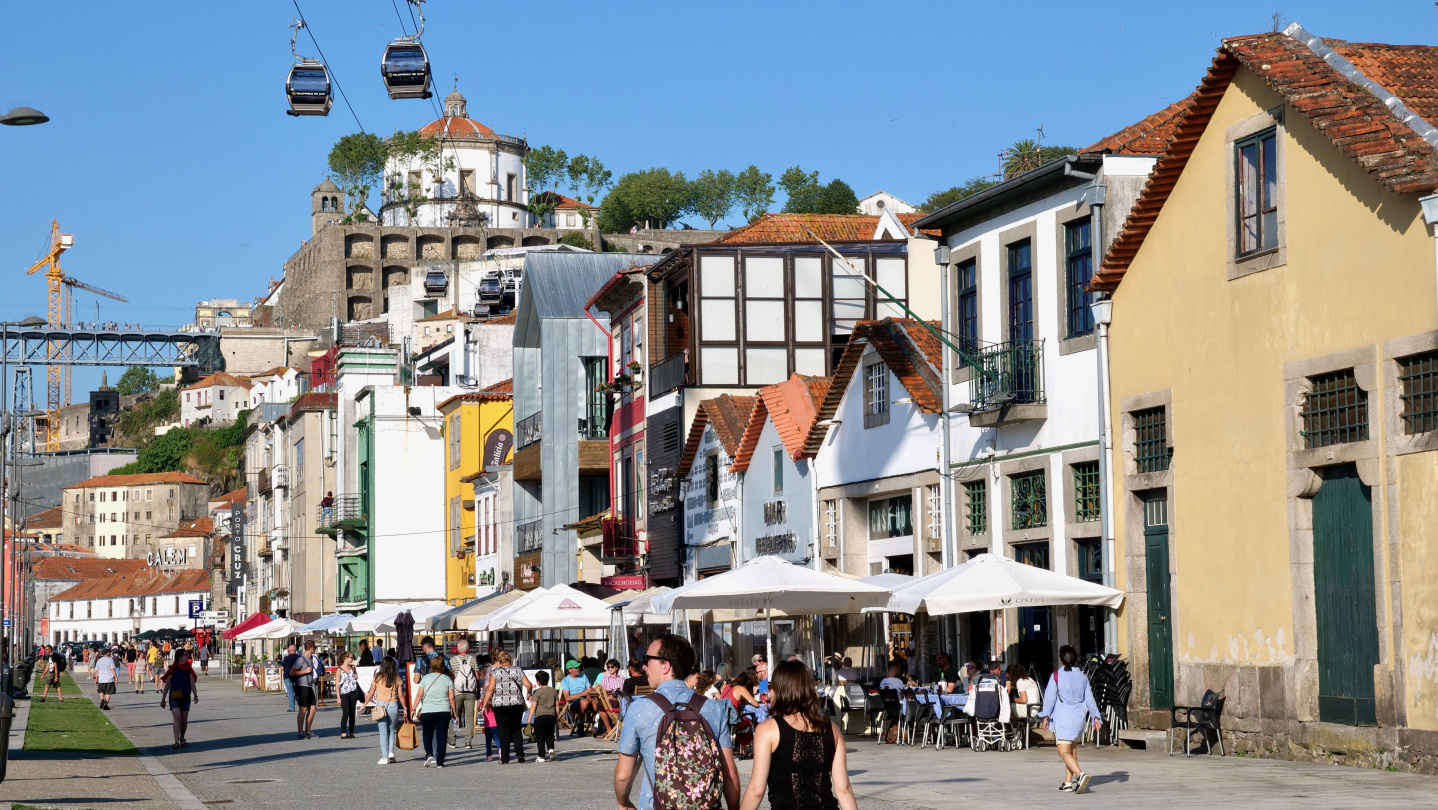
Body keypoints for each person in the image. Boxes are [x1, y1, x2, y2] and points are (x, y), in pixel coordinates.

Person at [615, 634, 740, 810]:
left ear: (665, 665)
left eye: (648, 659)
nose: (644, 666)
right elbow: (730, 776)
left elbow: (623, 776)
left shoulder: (639, 708)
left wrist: (624, 802)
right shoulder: (714, 709)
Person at [738, 660, 859, 810]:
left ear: (781, 690)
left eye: (772, 687)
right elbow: (843, 790)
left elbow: (756, 790)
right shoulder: (832, 729)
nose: (769, 692)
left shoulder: (767, 730)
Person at [1038, 646, 1103, 795]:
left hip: (1063, 717)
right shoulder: (1082, 676)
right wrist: (1095, 716)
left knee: (1063, 751)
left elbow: (1049, 698)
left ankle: (1080, 774)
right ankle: (1067, 782)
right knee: (1072, 749)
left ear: (1060, 659)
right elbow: (1090, 698)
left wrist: (1045, 716)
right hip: (1079, 717)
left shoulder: (1056, 676)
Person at [480, 648, 534, 764]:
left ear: (500, 660)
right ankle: (520, 755)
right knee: (516, 730)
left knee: (503, 731)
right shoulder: (518, 670)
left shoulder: (496, 672)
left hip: (500, 705)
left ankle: (504, 758)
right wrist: (529, 692)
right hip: (516, 704)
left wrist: (484, 705)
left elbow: (490, 690)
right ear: (510, 660)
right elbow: (528, 684)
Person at [412, 655, 457, 768]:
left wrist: (413, 708)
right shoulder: (447, 679)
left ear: (431, 666)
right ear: (442, 667)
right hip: (444, 710)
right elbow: (452, 697)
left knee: (427, 734)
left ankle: (429, 754)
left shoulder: (425, 678)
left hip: (428, 711)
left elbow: (419, 695)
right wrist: (454, 712)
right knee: (442, 736)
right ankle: (440, 762)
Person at [364, 655, 407, 765]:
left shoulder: (377, 677)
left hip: (380, 706)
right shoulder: (396, 677)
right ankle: (391, 752)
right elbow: (401, 695)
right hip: (393, 705)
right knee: (391, 730)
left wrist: (364, 704)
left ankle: (384, 757)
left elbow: (371, 692)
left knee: (383, 733)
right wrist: (405, 708)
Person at [160, 649, 199, 749]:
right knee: (177, 717)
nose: (187, 657)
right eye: (186, 655)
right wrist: (163, 699)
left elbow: (192, 683)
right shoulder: (173, 668)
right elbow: (167, 684)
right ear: (180, 657)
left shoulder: (188, 668)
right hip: (174, 696)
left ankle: (182, 737)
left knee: (184, 720)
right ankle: (176, 741)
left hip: (186, 696)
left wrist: (195, 694)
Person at [447, 639, 480, 750]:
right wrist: (478, 691)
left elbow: (451, 676)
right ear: (467, 649)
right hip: (470, 692)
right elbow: (477, 676)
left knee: (455, 715)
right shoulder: (473, 659)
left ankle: (452, 741)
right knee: (470, 717)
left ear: (457, 649)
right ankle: (468, 742)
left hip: (457, 692)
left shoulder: (453, 660)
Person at [289, 640, 320, 739]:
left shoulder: (310, 658)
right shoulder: (301, 659)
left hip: (309, 686)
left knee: (313, 709)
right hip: (301, 686)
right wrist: (305, 671)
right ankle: (299, 732)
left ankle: (307, 731)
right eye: (314, 648)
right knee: (303, 709)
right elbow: (292, 672)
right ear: (312, 648)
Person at [559, 659, 597, 735]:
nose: (578, 668)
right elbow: (567, 698)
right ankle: (581, 723)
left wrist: (590, 690)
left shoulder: (583, 676)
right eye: (576, 668)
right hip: (574, 702)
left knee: (594, 699)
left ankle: (598, 722)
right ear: (569, 670)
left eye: (579, 667)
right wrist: (583, 693)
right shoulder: (565, 681)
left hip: (586, 698)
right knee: (584, 702)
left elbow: (588, 688)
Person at [529, 669, 559, 762]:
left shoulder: (537, 692)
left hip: (540, 716)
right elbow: (557, 704)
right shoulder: (553, 690)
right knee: (550, 734)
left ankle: (541, 756)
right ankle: (550, 749)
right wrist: (556, 716)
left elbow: (533, 706)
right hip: (551, 715)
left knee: (540, 736)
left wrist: (529, 717)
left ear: (538, 682)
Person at [336, 652, 361, 739]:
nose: (352, 659)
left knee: (352, 713)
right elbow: (337, 685)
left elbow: (356, 678)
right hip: (344, 693)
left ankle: (351, 732)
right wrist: (338, 697)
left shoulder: (353, 668)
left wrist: (356, 676)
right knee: (345, 712)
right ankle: (343, 733)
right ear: (346, 658)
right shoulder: (339, 670)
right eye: (351, 657)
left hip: (353, 692)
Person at [279, 643, 301, 712]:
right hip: (297, 676)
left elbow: (282, 668)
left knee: (290, 693)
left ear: (289, 650)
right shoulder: (299, 658)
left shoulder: (286, 658)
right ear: (295, 650)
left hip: (287, 676)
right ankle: (302, 706)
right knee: (297, 692)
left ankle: (292, 707)